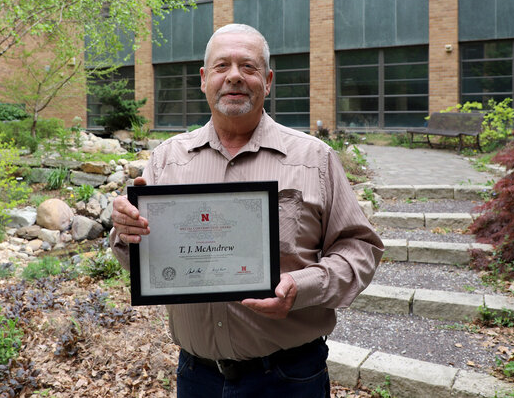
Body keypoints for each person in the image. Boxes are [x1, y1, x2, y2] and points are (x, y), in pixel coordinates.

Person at [110, 23, 384, 397]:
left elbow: (360, 248)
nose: (234, 76)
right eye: (222, 66)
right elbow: (144, 262)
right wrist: (127, 232)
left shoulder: (313, 159)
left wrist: (300, 288)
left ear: (268, 80)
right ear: (204, 79)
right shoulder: (166, 160)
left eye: (248, 67)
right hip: (196, 376)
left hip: (288, 377)